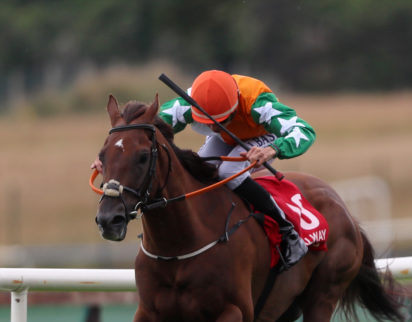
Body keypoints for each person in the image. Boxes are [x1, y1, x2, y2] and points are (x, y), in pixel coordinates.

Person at [92, 70, 316, 270]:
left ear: (234, 107)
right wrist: (113, 157)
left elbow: (304, 130)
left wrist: (274, 149)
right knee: (200, 169)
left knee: (228, 171)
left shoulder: (258, 103)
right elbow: (138, 131)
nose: (210, 127)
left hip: (262, 136)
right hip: (228, 134)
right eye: (208, 123)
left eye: (217, 122)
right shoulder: (193, 100)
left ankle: (288, 231)